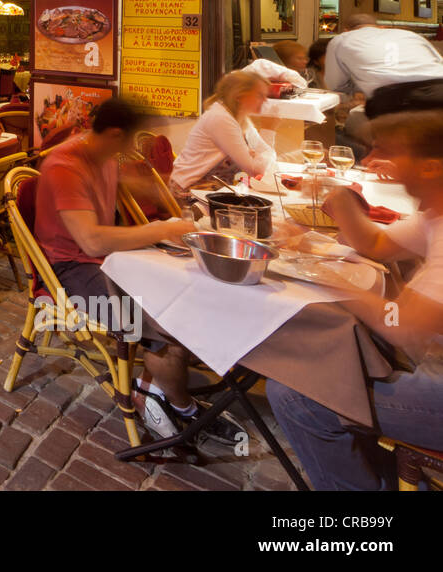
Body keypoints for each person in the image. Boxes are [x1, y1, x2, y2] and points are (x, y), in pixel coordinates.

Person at [36, 97, 244, 447]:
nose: (132, 149)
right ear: (115, 134)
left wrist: (173, 199)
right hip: (70, 272)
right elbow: (90, 241)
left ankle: (150, 388)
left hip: (108, 260)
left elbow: (127, 188)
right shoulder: (65, 166)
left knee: (190, 293)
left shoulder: (101, 154)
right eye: (130, 141)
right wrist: (161, 230)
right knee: (170, 324)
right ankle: (183, 406)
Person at [266, 108, 443, 489]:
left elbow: (400, 324)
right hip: (433, 358)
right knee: (343, 357)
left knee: (297, 395)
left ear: (429, 167)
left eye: (391, 153)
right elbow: (376, 243)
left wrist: (328, 280)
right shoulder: (435, 215)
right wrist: (340, 197)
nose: (375, 162)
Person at [169, 70, 276, 191]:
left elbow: (268, 160)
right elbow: (254, 171)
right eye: (259, 95)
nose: (265, 101)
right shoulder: (221, 118)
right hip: (192, 191)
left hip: (222, 188)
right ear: (239, 95)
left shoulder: (242, 119)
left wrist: (256, 157)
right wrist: (268, 130)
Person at [324, 13, 443, 98]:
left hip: (391, 96)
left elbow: (335, 85)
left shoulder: (341, 39)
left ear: (346, 30)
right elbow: (439, 63)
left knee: (353, 124)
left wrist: (358, 90)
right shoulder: (410, 34)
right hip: (439, 88)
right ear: (381, 27)